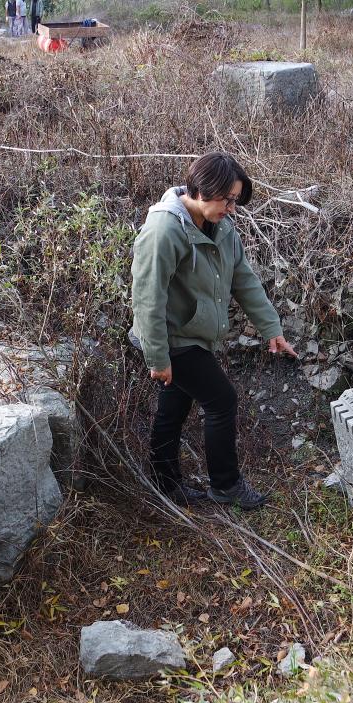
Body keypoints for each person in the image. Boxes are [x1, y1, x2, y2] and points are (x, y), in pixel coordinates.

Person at [130, 152, 298, 510]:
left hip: (195, 336)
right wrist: (158, 356)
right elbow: (147, 298)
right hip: (173, 338)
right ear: (202, 191)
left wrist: (271, 328)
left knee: (173, 407)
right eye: (227, 199)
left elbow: (243, 279)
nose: (232, 208)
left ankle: (164, 483)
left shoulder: (220, 227)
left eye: (235, 200)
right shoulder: (164, 231)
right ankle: (226, 485)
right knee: (222, 401)